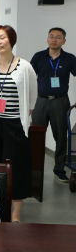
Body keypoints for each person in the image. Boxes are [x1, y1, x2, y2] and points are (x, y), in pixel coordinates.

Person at [0, 25, 37, 222]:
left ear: (11, 40)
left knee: (17, 167)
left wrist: (23, 118)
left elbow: (32, 97)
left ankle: (15, 213)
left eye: (2, 38)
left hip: (14, 124)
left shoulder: (25, 67)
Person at [31, 27, 76, 183]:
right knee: (36, 136)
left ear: (64, 41)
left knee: (61, 137)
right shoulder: (38, 57)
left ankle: (59, 169)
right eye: (51, 36)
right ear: (47, 39)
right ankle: (34, 170)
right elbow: (29, 78)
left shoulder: (70, 58)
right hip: (41, 101)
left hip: (60, 102)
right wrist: (29, 103)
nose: (54, 39)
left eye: (58, 37)